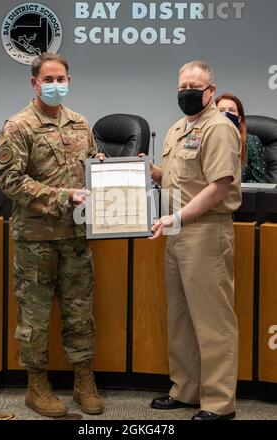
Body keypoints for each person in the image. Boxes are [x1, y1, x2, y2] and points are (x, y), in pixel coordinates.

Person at [0, 52, 104, 418]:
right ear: (35, 82)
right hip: (36, 241)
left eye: (62, 79)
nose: (56, 85)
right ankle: (36, 386)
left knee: (80, 313)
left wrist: (102, 168)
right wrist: (62, 197)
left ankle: (83, 379)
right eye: (49, 79)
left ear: (69, 81)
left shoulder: (80, 123)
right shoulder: (18, 126)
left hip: (76, 238)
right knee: (35, 317)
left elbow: (89, 163)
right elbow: (11, 182)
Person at [149, 61, 241, 420]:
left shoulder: (219, 127)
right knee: (182, 318)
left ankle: (219, 404)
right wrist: (150, 171)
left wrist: (178, 216)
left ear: (211, 91)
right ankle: (186, 389)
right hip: (175, 231)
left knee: (213, 320)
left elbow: (218, 188)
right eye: (182, 85)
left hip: (205, 231)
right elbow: (177, 179)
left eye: (194, 85)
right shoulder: (177, 128)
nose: (186, 91)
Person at [216, 93, 266, 183]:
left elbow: (260, 182)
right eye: (221, 110)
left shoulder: (251, 141)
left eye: (232, 110)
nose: (226, 113)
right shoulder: (205, 140)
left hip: (241, 195)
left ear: (239, 118)